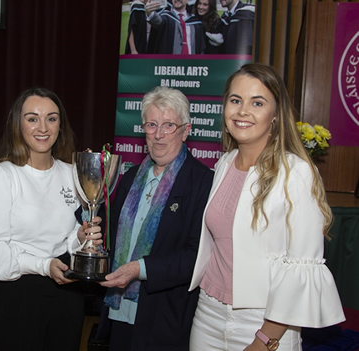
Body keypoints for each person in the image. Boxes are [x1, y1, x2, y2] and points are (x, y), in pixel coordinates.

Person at [189, 63, 345, 350]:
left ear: (275, 115)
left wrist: (265, 338)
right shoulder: (223, 164)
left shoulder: (296, 173)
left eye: (257, 102)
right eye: (235, 100)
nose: (242, 111)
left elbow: (301, 267)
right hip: (207, 313)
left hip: (265, 321)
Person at [0, 87, 103, 351]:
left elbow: (67, 238)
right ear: (17, 124)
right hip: (17, 295)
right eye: (32, 118)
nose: (42, 127)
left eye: (51, 118)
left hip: (67, 293)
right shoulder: (1, 175)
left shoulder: (73, 173)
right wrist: (44, 265)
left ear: (60, 125)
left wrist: (79, 239)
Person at [98, 86, 214, 351]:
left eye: (169, 125)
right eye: (151, 125)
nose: (159, 135)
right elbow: (112, 234)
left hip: (165, 318)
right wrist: (91, 232)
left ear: (186, 130)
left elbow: (196, 257)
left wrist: (141, 269)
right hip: (120, 310)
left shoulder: (203, 183)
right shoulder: (130, 177)